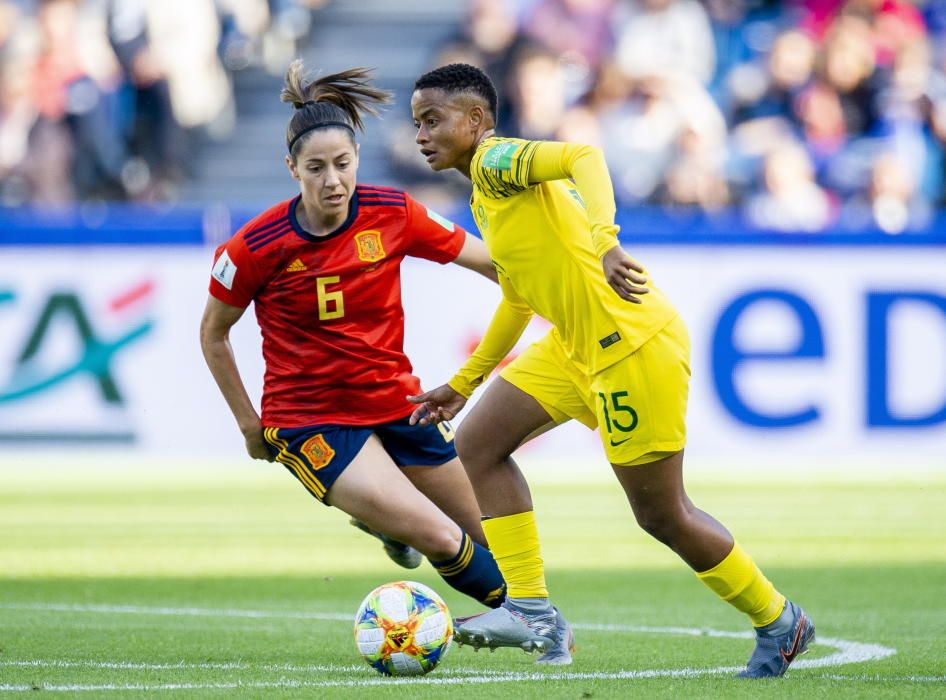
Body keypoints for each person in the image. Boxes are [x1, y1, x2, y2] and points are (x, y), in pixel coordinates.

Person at [407, 63, 815, 679]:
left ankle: (781, 622)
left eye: (433, 120)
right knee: (479, 445)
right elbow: (518, 298)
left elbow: (583, 154)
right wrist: (463, 385)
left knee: (662, 514)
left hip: (631, 345)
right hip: (574, 347)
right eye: (417, 123)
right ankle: (533, 611)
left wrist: (606, 239)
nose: (421, 135)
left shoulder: (495, 161)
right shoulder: (483, 198)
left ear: (477, 121)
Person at [199, 62, 517, 625]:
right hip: (312, 420)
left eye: (342, 164)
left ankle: (387, 518)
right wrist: (251, 425)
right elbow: (214, 333)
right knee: (443, 537)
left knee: (495, 544)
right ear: (291, 168)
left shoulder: (392, 214)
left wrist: (571, 285)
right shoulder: (255, 247)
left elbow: (493, 265)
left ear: (357, 161)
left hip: (397, 405)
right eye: (316, 168)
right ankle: (543, 625)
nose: (332, 181)